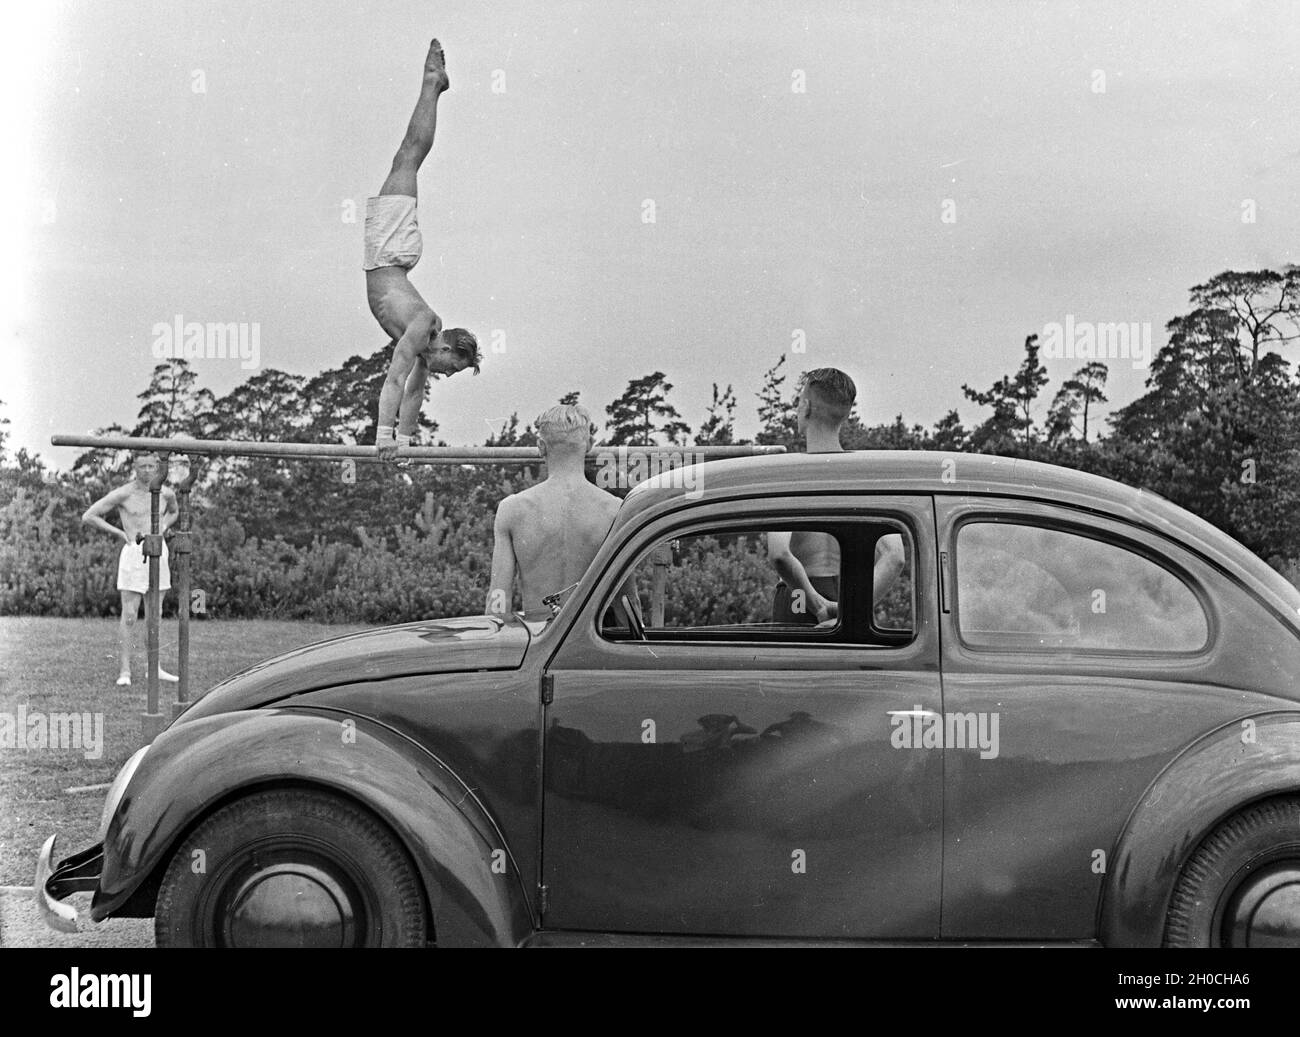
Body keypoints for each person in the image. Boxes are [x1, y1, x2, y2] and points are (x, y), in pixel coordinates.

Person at [367, 38, 482, 461]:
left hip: (392, 254)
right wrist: (383, 437)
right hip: (389, 251)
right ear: (447, 348)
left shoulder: (423, 343)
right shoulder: (421, 326)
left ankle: (434, 85)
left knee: (407, 158)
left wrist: (405, 441)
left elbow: (413, 391)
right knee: (407, 158)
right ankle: (432, 83)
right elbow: (394, 379)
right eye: (452, 367)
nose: (445, 375)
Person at [767, 368, 905, 624]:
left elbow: (779, 554)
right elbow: (895, 557)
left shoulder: (789, 474)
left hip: (799, 598)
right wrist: (850, 609)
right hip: (848, 595)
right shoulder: (864, 476)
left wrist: (816, 604)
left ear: (806, 407)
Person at [486, 404, 622, 617]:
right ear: (589, 445)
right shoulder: (613, 509)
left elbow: (499, 597)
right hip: (592, 643)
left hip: (538, 641)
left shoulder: (513, 509)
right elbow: (626, 599)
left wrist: (494, 646)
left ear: (541, 446)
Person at [81, 452, 180, 686]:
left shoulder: (166, 493)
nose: (147, 471)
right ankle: (124, 671)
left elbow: (174, 511)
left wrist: (164, 525)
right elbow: (89, 516)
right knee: (129, 615)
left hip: (159, 550)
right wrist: (119, 533)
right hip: (134, 552)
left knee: (155, 614)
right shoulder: (124, 493)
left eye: (151, 466)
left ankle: (153, 668)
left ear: (158, 467)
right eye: (143, 466)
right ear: (135, 467)